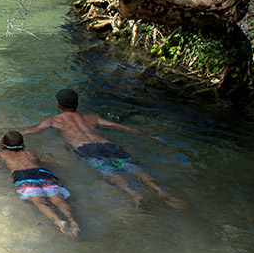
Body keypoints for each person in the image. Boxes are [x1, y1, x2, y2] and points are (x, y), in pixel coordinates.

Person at [24, 89, 190, 210]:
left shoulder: (54, 120)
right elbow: (120, 126)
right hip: (109, 145)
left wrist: (6, 136)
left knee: (110, 172)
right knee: (132, 167)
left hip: (87, 149)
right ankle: (159, 191)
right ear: (77, 104)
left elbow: (33, 131)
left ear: (58, 105)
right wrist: (150, 136)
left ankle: (134, 194)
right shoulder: (91, 117)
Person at [0, 131, 80, 238]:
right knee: (58, 200)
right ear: (23, 144)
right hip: (43, 174)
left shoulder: (3, 154)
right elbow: (54, 164)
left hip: (23, 178)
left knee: (40, 202)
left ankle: (58, 221)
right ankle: (72, 221)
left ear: (3, 145)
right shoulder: (31, 153)